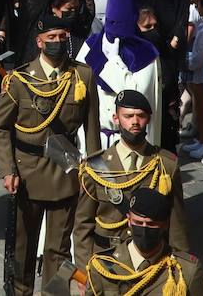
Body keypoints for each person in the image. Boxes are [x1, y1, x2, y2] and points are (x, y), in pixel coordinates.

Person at [0, 11, 99, 295]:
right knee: (23, 248)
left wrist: (92, 174)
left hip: (65, 173)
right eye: (51, 38)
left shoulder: (82, 75)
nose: (58, 42)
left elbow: (91, 130)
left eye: (62, 37)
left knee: (58, 250)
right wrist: (7, 170)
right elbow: (0, 128)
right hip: (27, 173)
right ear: (39, 41)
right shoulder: (19, 80)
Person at [73, 89, 187, 272]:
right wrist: (85, 268)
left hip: (153, 261)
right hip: (107, 261)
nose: (134, 122)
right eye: (128, 116)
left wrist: (181, 267)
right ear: (116, 118)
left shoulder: (166, 164)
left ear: (149, 118)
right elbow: (82, 225)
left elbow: (177, 224)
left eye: (140, 116)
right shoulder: (95, 166)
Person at [79, 188, 203, 296]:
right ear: (129, 220)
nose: (144, 229)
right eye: (138, 223)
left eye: (151, 224)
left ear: (165, 225)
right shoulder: (102, 267)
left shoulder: (186, 270)